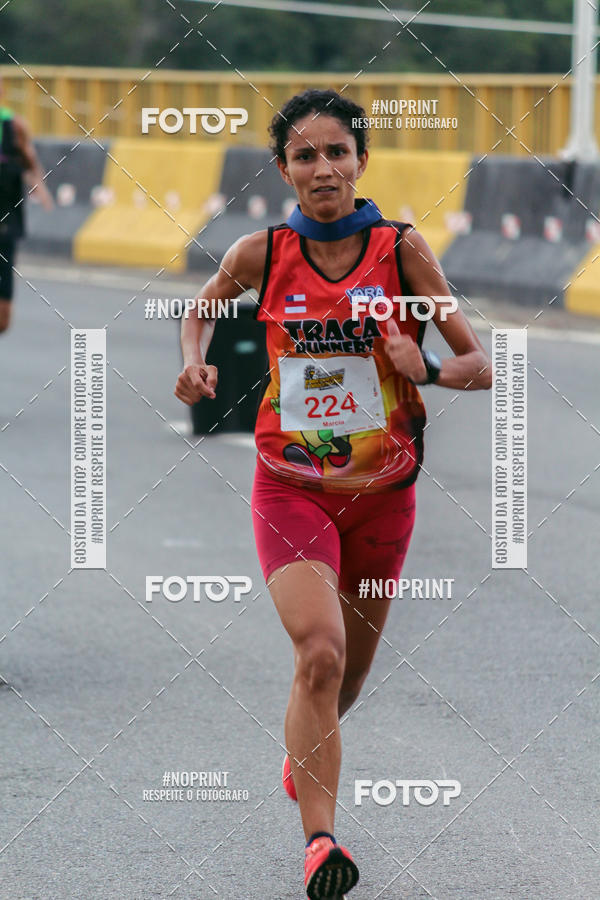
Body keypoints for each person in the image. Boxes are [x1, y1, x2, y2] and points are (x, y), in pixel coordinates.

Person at [175, 88, 492, 899]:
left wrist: (426, 367)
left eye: (337, 152)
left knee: (345, 679)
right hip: (292, 488)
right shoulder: (261, 253)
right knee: (319, 652)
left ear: (361, 161)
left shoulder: (402, 251)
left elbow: (479, 365)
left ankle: (302, 750)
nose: (323, 168)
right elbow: (198, 311)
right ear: (283, 169)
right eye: (304, 155)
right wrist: (194, 362)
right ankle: (321, 844)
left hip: (385, 494)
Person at [0, 76, 53, 334]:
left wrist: (40, 189)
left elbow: (30, 162)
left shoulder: (15, 126)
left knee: (3, 320)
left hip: (6, 219)